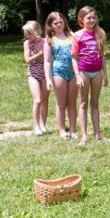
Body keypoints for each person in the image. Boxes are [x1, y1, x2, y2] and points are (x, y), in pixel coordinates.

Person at [72, 6, 108, 145]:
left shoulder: (100, 34)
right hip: (83, 72)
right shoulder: (78, 35)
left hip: (97, 72)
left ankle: (98, 134)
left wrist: (105, 75)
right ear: (82, 20)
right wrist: (78, 76)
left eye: (93, 17)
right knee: (83, 103)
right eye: (88, 18)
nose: (91, 20)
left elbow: (103, 55)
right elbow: (74, 57)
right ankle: (84, 136)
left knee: (95, 103)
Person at [43, 11, 77, 139]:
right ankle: (62, 130)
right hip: (58, 73)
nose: (58, 24)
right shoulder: (50, 40)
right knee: (61, 104)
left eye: (61, 22)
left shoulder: (72, 36)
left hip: (73, 72)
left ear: (65, 22)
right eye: (55, 23)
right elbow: (47, 61)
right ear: (50, 25)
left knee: (72, 103)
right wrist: (48, 79)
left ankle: (73, 130)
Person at [22, 21, 49, 136]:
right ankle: (36, 126)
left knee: (44, 100)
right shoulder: (27, 43)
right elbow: (28, 60)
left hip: (45, 73)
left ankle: (43, 124)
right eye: (26, 34)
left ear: (37, 31)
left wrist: (37, 55)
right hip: (33, 73)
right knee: (37, 100)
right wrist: (39, 54)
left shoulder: (46, 41)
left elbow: (48, 59)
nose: (27, 36)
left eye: (29, 33)